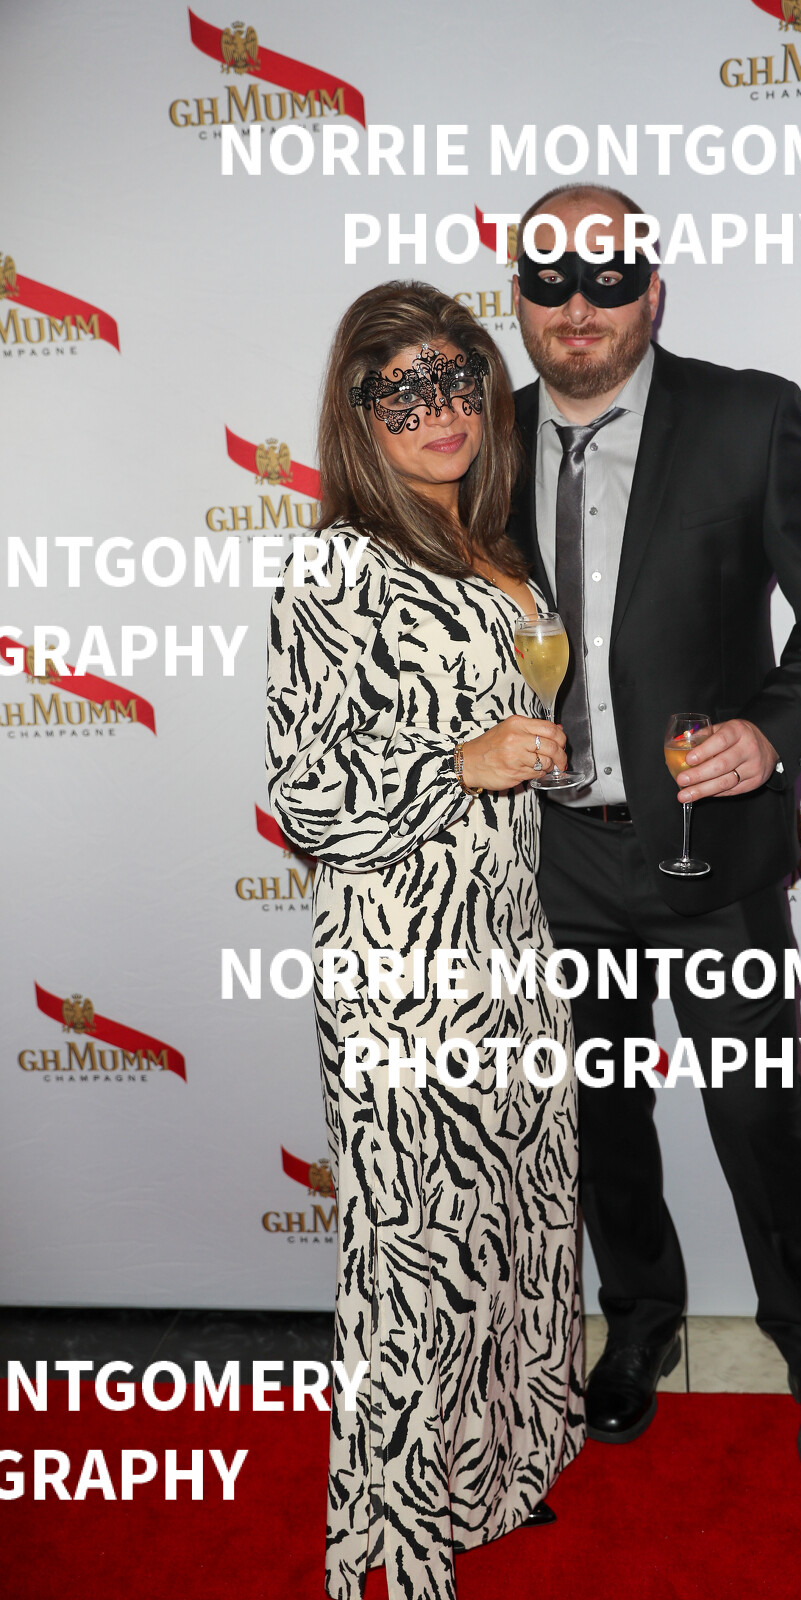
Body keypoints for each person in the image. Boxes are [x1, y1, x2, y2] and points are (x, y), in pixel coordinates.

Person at [508, 184, 801, 1489]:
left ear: (653, 291)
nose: (578, 304)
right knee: (597, 1115)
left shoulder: (747, 416)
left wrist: (771, 736)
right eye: (549, 279)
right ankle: (640, 1322)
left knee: (762, 1118)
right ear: (518, 298)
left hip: (711, 856)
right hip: (551, 856)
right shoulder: (477, 444)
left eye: (608, 277)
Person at [266, 282, 583, 1600]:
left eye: (457, 380)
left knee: (513, 1227)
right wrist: (460, 761)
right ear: (358, 415)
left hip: (508, 945)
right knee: (415, 1263)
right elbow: (303, 795)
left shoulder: (488, 543)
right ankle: (389, 1549)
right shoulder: (337, 565)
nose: (439, 412)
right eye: (400, 391)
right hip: (404, 969)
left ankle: (492, 1479)